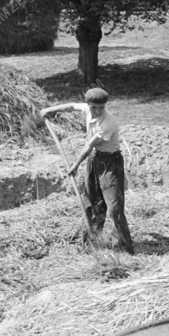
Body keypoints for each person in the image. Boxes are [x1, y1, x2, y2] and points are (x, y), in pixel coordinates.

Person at [40, 87, 135, 254]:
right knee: (92, 203)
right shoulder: (86, 109)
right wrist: (48, 110)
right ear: (88, 105)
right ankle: (92, 243)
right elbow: (70, 106)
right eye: (94, 107)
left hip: (111, 163)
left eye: (101, 107)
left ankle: (126, 246)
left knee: (114, 207)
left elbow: (89, 146)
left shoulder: (108, 123)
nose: (97, 111)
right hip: (95, 160)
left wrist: (75, 166)